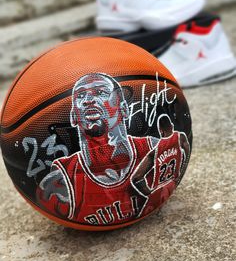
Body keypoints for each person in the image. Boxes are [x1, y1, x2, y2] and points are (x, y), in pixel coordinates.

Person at [37, 73, 158, 226]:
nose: (88, 100)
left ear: (124, 108)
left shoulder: (153, 149)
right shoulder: (61, 180)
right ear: (73, 116)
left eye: (101, 92)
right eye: (81, 96)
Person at [131, 114, 190, 216]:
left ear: (160, 130)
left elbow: (136, 178)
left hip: (157, 193)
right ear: (171, 126)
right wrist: (179, 174)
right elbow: (187, 152)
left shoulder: (155, 150)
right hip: (172, 184)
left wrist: (150, 193)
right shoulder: (180, 137)